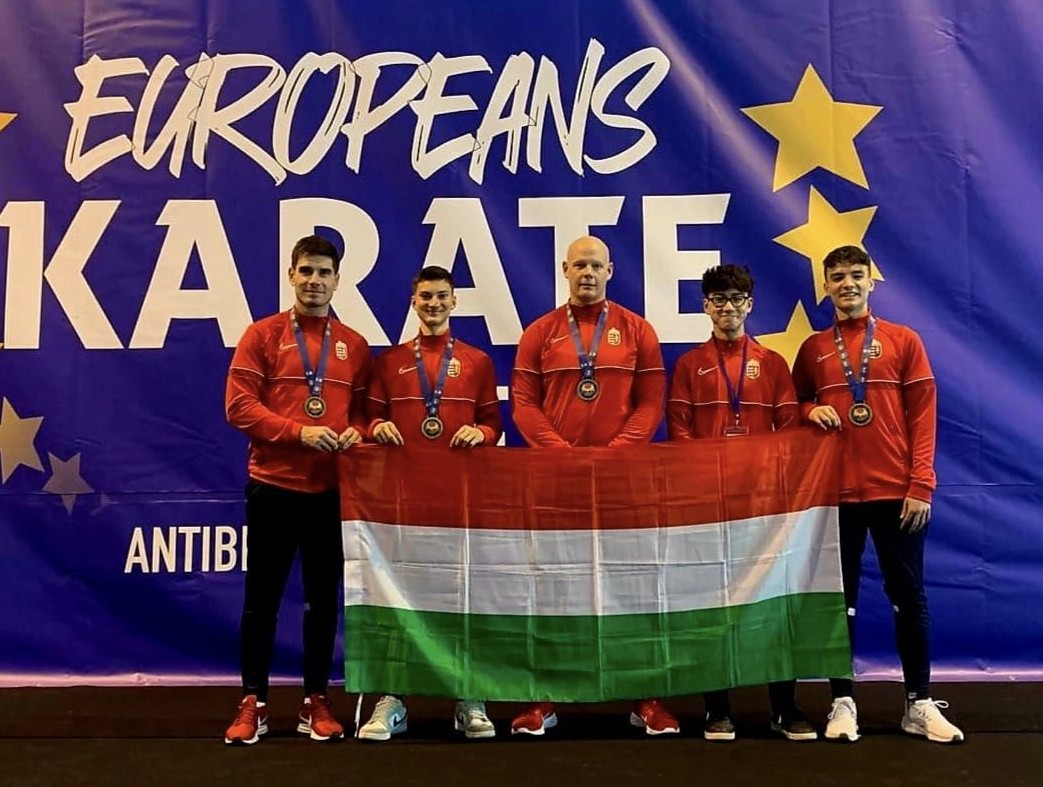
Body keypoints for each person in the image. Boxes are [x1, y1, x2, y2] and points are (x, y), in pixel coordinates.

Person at [792, 245, 964, 744]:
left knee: (908, 595)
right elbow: (793, 402)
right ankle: (842, 701)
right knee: (839, 600)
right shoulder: (813, 349)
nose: (847, 284)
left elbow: (924, 416)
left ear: (871, 281)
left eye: (856, 275)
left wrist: (921, 483)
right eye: (837, 276)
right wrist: (808, 411)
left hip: (897, 492)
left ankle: (919, 703)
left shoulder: (903, 340)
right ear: (825, 286)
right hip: (837, 494)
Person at [510, 235, 674, 736]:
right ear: (565, 270)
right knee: (552, 587)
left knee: (634, 587)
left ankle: (647, 697)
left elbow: (651, 402)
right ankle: (542, 698)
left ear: (610, 271)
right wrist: (561, 454)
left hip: (621, 480)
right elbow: (524, 404)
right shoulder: (539, 333)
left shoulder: (638, 330)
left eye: (596, 265)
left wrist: (615, 453)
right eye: (579, 264)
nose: (587, 273)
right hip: (557, 480)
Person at [222, 235, 371, 745]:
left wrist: (356, 433)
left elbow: (365, 414)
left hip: (330, 492)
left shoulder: (354, 344)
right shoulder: (262, 335)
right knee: (260, 601)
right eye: (305, 271)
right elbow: (238, 406)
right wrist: (298, 432)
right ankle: (253, 701)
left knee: (322, 603)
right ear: (291, 275)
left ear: (337, 280)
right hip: (273, 487)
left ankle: (316, 700)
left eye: (324, 272)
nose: (314, 280)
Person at [667, 263, 817, 742]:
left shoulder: (772, 364)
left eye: (735, 299)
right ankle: (717, 709)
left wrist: (765, 484)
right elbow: (680, 431)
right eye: (718, 299)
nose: (727, 307)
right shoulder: (689, 365)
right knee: (714, 604)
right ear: (705, 306)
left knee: (775, 604)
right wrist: (703, 482)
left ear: (749, 305)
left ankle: (784, 707)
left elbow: (789, 431)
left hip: (763, 507)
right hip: (711, 505)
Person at [357, 265, 504, 741]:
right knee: (398, 599)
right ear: (413, 302)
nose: (434, 304)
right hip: (403, 503)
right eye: (426, 296)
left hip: (459, 502)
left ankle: (468, 695)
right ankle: (393, 698)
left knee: (462, 598)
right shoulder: (389, 361)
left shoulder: (478, 362)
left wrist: (481, 433)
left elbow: (493, 423)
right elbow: (368, 418)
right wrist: (376, 427)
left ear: (455, 301)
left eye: (442, 296)